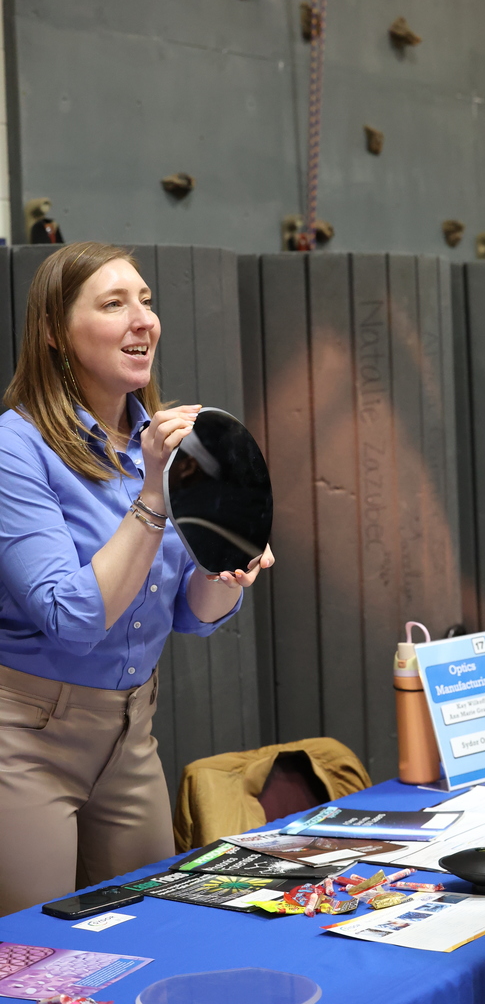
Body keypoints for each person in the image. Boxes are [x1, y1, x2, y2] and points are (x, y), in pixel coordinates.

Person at [0, 241, 274, 916]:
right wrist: (153, 490)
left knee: (150, 935)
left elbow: (193, 614)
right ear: (54, 335)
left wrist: (227, 569)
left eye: (146, 301)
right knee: (38, 959)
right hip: (27, 737)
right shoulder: (16, 447)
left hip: (131, 734)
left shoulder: (171, 438)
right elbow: (73, 618)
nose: (142, 319)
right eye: (114, 304)